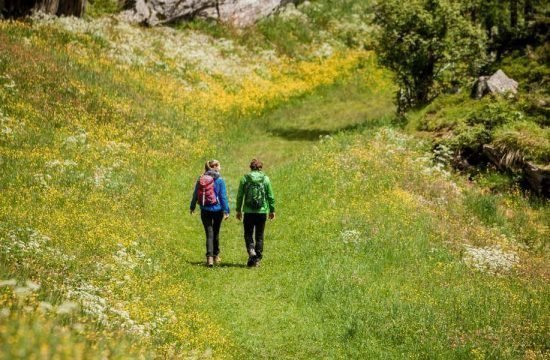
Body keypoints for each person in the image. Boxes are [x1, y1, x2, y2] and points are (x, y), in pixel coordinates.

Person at [236, 159, 275, 267]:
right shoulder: (265, 179)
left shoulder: (245, 178)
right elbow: (270, 196)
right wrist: (272, 210)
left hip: (248, 212)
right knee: (259, 235)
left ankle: (251, 251)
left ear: (251, 167)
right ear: (260, 168)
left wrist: (238, 210)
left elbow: (240, 196)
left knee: (248, 233)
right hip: (262, 211)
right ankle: (257, 259)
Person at [190, 160, 230, 267]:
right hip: (218, 210)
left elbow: (195, 194)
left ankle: (209, 258)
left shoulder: (201, 179)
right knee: (215, 232)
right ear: (215, 167)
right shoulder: (220, 180)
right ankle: (216, 255)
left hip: (205, 210)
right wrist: (226, 210)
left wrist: (192, 206)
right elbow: (223, 196)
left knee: (209, 233)